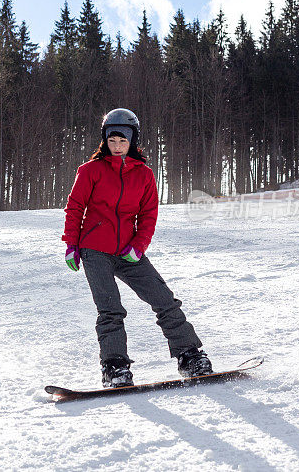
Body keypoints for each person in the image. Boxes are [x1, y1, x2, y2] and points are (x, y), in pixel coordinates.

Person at [62, 108, 212, 388]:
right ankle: (115, 367)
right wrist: (71, 244)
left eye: (123, 141)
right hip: (95, 250)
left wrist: (139, 246)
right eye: (112, 141)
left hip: (129, 251)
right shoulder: (90, 171)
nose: (117, 147)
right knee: (110, 310)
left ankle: (190, 355)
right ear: (104, 141)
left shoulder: (144, 175)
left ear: (133, 141)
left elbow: (148, 216)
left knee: (164, 300)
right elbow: (75, 208)